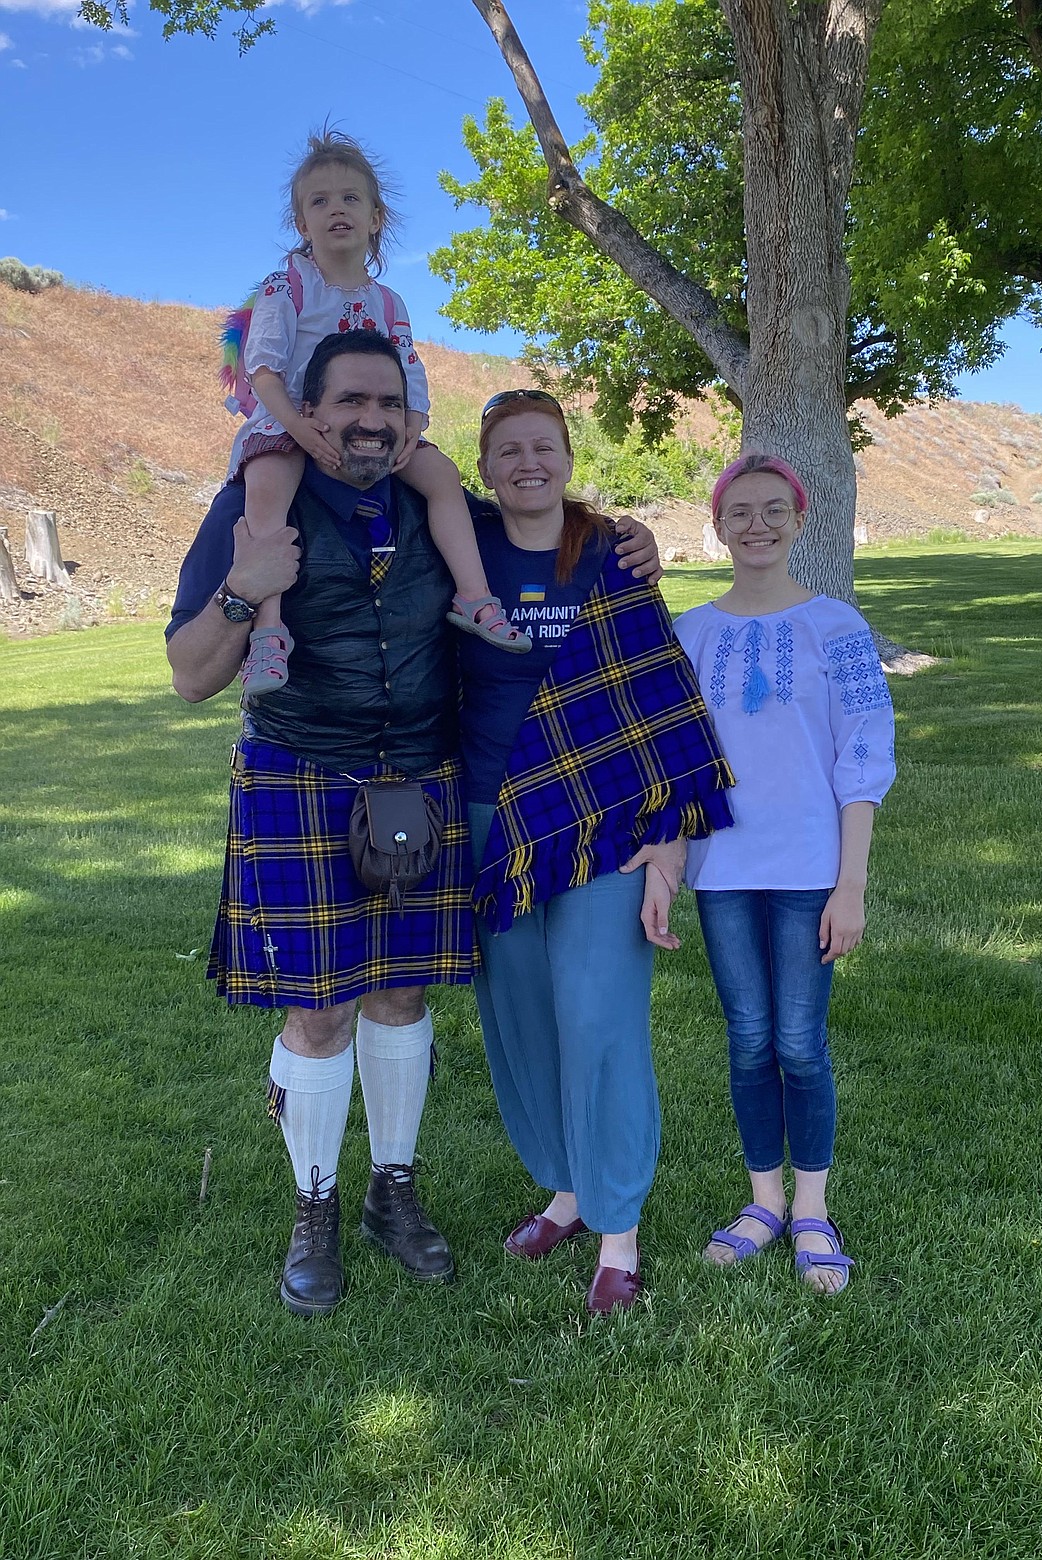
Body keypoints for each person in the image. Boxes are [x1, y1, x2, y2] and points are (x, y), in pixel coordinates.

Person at [167, 330, 480, 1317]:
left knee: (401, 998)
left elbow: (543, 549)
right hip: (300, 775)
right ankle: (315, 1207)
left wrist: (621, 542)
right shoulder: (252, 504)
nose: (371, 420)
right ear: (310, 408)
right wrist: (243, 586)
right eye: (349, 401)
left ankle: (395, 1190)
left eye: (388, 401)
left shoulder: (441, 507)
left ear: (411, 412)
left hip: (420, 780)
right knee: (320, 1009)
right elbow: (189, 674)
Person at [461, 388, 735, 1316]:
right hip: (490, 817)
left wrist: (668, 848)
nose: (526, 463)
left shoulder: (614, 552)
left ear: (569, 455)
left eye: (543, 446)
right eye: (507, 450)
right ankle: (567, 1193)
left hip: (606, 824)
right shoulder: (457, 540)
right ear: (485, 464)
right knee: (522, 1018)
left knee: (601, 1019)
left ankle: (618, 1230)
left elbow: (658, 703)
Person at [673, 453, 896, 1296]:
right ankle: (762, 1202)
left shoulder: (836, 627)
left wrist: (852, 884)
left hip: (811, 868)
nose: (757, 525)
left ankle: (812, 1209)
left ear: (801, 521)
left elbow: (864, 754)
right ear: (719, 525)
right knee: (748, 1038)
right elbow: (678, 760)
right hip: (723, 868)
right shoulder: (692, 633)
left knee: (800, 1044)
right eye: (740, 512)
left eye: (774, 510)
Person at [225, 126, 528, 697]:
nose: (335, 210)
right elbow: (262, 367)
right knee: (268, 485)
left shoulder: (388, 301)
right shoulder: (288, 285)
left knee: (439, 475)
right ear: (301, 224)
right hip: (295, 419)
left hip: (374, 430)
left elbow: (409, 369)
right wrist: (300, 429)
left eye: (350, 199)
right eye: (319, 201)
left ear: (374, 218)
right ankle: (268, 631)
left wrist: (412, 427)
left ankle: (474, 596)